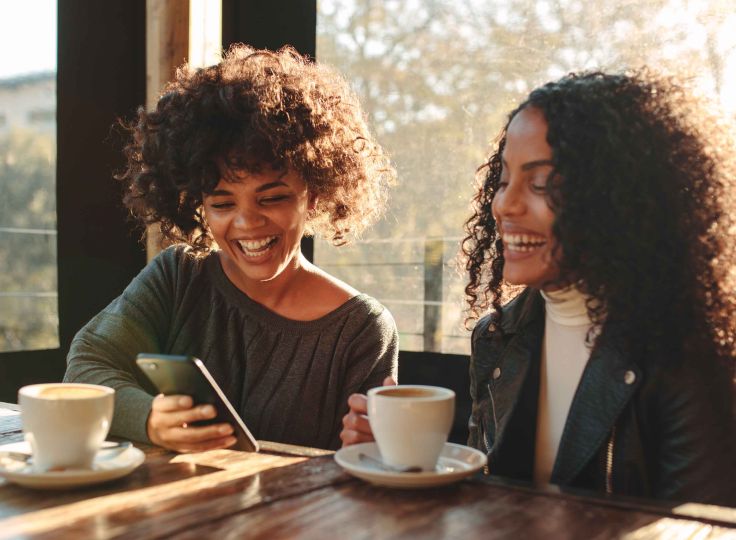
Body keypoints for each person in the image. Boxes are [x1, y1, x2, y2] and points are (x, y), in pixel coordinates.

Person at [341, 70, 736, 505]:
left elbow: (702, 529)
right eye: (504, 179)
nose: (504, 204)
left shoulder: (688, 352)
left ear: (618, 199)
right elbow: (485, 505)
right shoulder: (497, 338)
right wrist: (404, 457)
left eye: (541, 184)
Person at [64, 45, 399, 452]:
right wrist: (149, 418)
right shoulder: (178, 277)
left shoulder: (361, 328)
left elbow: (365, 466)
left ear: (312, 196)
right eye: (222, 204)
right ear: (198, 204)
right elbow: (86, 367)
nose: (247, 223)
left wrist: (376, 448)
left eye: (272, 198)